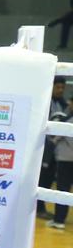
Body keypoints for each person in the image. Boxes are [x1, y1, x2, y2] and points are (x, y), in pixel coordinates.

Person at [38, 78, 67, 219]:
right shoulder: (44, 103)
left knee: (49, 179)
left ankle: (41, 207)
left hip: (58, 149)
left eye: (63, 87)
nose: (60, 90)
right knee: (42, 178)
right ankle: (38, 208)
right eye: (58, 87)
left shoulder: (64, 104)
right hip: (45, 148)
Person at [48, 91, 72, 230]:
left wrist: (56, 138)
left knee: (63, 189)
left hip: (66, 160)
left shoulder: (69, 120)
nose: (69, 104)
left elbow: (56, 137)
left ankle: (59, 220)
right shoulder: (68, 118)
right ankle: (59, 219)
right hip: (65, 158)